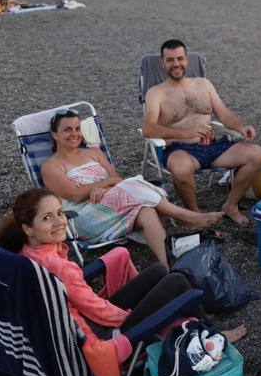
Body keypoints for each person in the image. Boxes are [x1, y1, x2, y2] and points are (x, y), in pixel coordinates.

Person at [0, 188, 245, 376]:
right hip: (100, 336)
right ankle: (214, 336)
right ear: (28, 228)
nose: (60, 222)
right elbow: (93, 306)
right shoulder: (57, 265)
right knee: (178, 281)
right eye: (47, 218)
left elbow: (81, 300)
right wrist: (134, 316)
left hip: (79, 324)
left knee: (158, 271)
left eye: (60, 213)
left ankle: (201, 324)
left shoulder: (27, 252)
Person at [41, 109, 222, 265]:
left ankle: (167, 266)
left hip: (111, 200)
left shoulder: (94, 152)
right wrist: (106, 184)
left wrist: (107, 189)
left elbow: (117, 179)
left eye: (77, 128)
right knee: (133, 183)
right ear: (54, 134)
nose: (75, 134)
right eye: (67, 130)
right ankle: (187, 216)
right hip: (84, 215)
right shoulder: (51, 166)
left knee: (147, 210)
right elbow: (75, 195)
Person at [141, 39, 261, 225]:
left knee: (256, 155)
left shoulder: (203, 84)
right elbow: (148, 129)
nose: (176, 64)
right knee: (180, 169)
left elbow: (223, 113)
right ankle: (194, 214)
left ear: (187, 60)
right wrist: (186, 133)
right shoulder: (156, 93)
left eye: (180, 58)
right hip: (181, 149)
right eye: (170, 60)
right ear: (163, 63)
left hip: (212, 145)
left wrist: (240, 127)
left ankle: (231, 205)